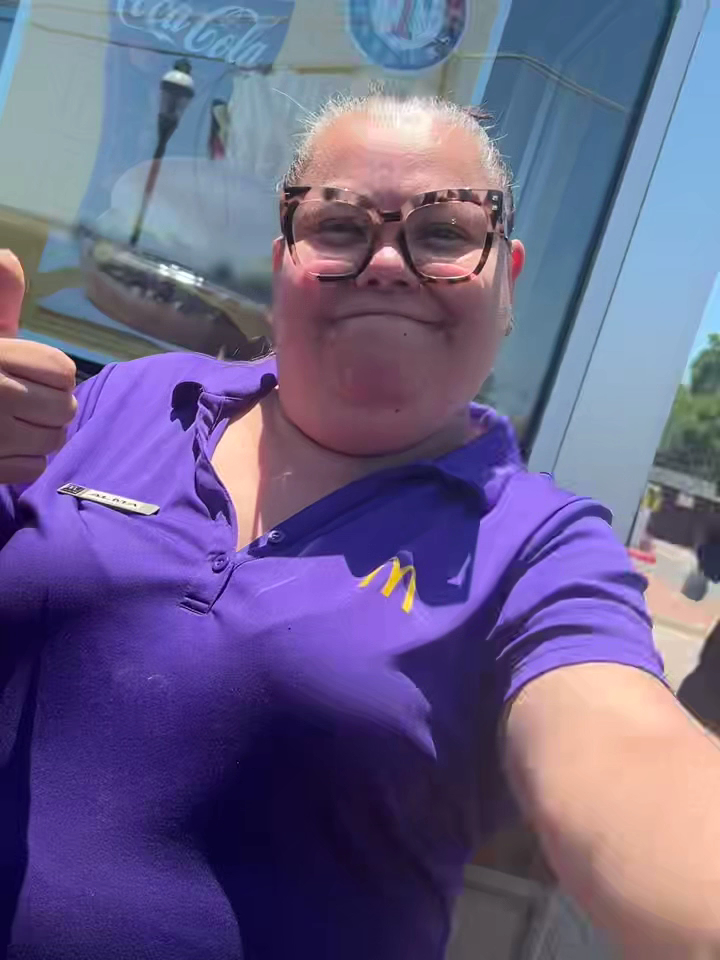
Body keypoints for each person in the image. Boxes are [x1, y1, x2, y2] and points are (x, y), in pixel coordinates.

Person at [0, 94, 719, 960]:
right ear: (282, 261)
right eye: (338, 226)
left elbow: (625, 747)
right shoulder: (134, 399)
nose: (386, 262)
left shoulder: (536, 550)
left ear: (507, 274)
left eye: (445, 232)